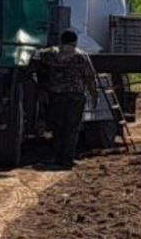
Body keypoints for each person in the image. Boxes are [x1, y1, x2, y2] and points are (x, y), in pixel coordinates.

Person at [33, 29, 100, 168]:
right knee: (72, 128)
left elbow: (36, 58)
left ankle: (57, 158)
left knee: (58, 128)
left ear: (61, 41)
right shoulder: (81, 56)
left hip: (56, 95)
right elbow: (90, 77)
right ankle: (67, 159)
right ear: (75, 42)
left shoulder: (51, 55)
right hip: (76, 96)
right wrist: (94, 96)